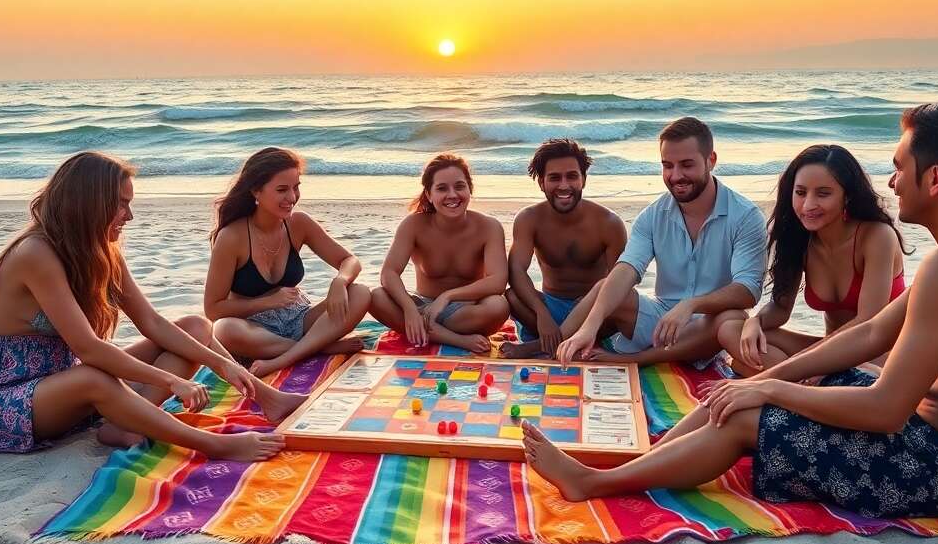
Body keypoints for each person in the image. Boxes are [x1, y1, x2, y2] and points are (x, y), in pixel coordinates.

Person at [524, 101, 938, 521]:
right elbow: (869, 332)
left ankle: (593, 484)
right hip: (935, 443)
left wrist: (769, 390)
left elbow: (886, 409)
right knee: (743, 394)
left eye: (900, 167)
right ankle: (642, 461)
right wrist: (767, 377)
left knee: (746, 418)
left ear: (934, 179)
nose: (892, 181)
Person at [0, 152, 303, 462]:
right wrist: (170, 380)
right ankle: (213, 446)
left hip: (63, 382)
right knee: (94, 378)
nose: (129, 216)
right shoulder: (35, 253)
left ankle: (256, 399)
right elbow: (88, 348)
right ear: (89, 203)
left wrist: (221, 364)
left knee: (193, 326)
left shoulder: (101, 252)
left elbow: (151, 321)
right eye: (121, 205)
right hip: (11, 401)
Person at [554, 117, 767, 366]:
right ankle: (552, 348)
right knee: (606, 287)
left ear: (711, 161)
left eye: (686, 165)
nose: (675, 176)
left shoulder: (745, 216)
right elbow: (628, 268)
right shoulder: (652, 215)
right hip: (661, 322)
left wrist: (691, 305)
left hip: (708, 330)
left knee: (732, 317)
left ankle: (637, 359)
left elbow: (749, 290)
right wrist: (590, 327)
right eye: (667, 166)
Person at [714, 144, 907, 376]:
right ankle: (799, 381)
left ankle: (786, 378)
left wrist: (806, 361)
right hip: (828, 352)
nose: (808, 205)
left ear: (847, 196)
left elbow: (868, 323)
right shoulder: (799, 239)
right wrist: (756, 322)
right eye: (801, 192)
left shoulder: (876, 236)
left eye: (823, 194)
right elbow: (781, 308)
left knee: (746, 362)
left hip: (878, 359)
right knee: (731, 329)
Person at [205, 147, 369, 377]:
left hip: (300, 319)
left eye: (296, 187)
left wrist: (339, 282)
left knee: (360, 292)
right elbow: (213, 309)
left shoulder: (299, 223)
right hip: (254, 329)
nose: (292, 197)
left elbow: (349, 260)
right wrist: (267, 302)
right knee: (223, 329)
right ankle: (318, 349)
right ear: (256, 191)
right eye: (282, 190)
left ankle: (294, 353)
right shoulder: (232, 237)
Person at [368, 153, 510, 353]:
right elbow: (389, 273)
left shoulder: (489, 227)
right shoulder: (413, 225)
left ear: (470, 189)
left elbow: (498, 281)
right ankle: (455, 340)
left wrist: (447, 297)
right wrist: (409, 309)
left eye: (459, 186)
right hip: (422, 307)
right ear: (429, 194)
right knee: (375, 297)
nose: (452, 195)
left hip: (464, 312)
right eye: (442, 188)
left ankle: (427, 332)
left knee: (499, 306)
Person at [501, 139, 627, 359]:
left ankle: (539, 346)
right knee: (511, 297)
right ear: (541, 182)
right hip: (551, 306)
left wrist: (593, 307)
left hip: (593, 311)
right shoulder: (529, 219)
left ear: (583, 179)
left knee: (621, 304)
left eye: (572, 176)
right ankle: (560, 340)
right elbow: (516, 271)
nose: (564, 185)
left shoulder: (609, 223)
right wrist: (541, 313)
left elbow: (621, 281)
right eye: (554, 178)